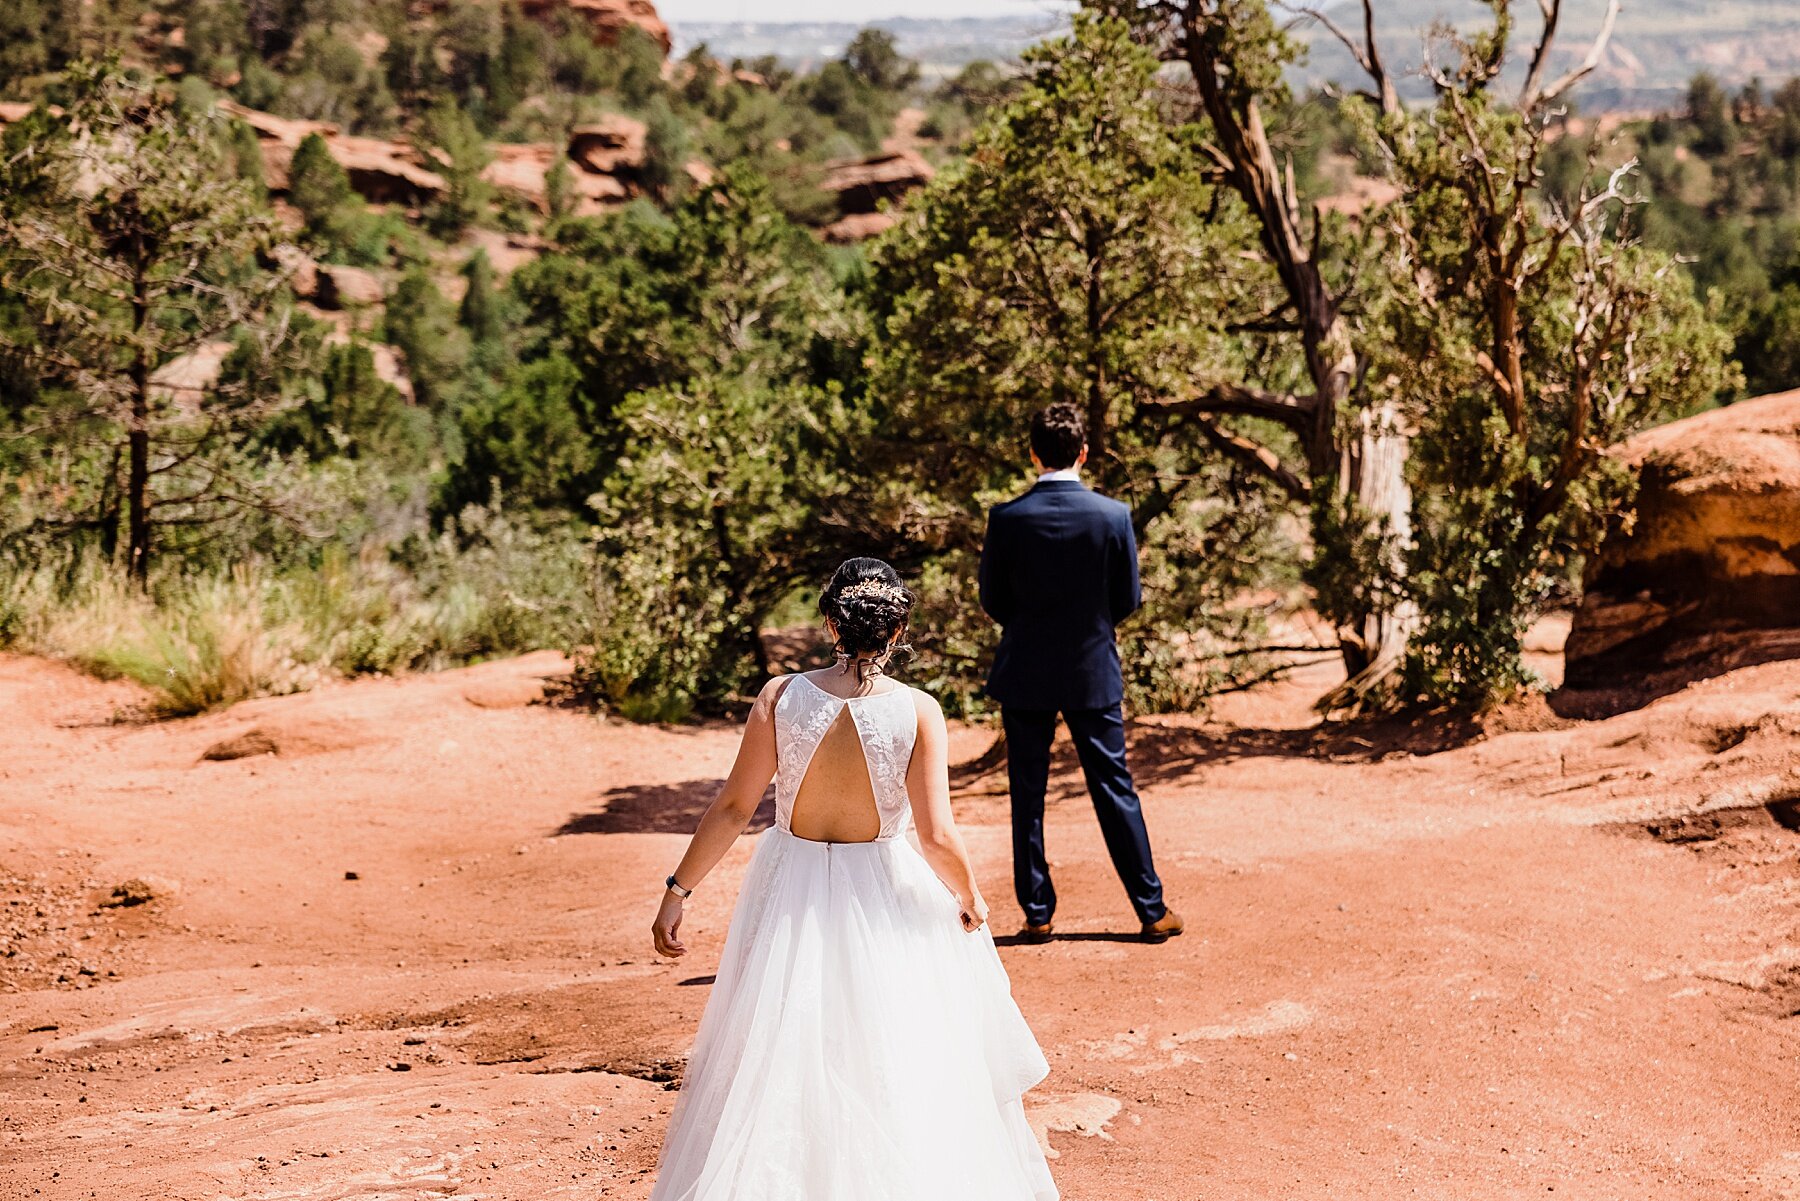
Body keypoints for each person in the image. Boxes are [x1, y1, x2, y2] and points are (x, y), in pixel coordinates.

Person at [648, 557, 1057, 1201]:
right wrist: (969, 896)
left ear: (831, 623)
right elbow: (936, 836)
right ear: (896, 632)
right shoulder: (919, 711)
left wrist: (678, 891)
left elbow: (732, 808)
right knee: (889, 1049)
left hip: (790, 887)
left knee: (781, 1045)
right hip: (882, 892)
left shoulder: (782, 698)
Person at [978, 403, 1183, 945]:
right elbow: (1128, 598)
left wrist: (1032, 628)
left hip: (1024, 670)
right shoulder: (1112, 515)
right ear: (1083, 452)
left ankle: (1038, 913)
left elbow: (992, 599)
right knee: (1115, 788)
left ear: (1032, 452)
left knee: (1028, 794)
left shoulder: (1007, 518)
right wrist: (1089, 631)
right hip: (1093, 671)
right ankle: (1151, 908)